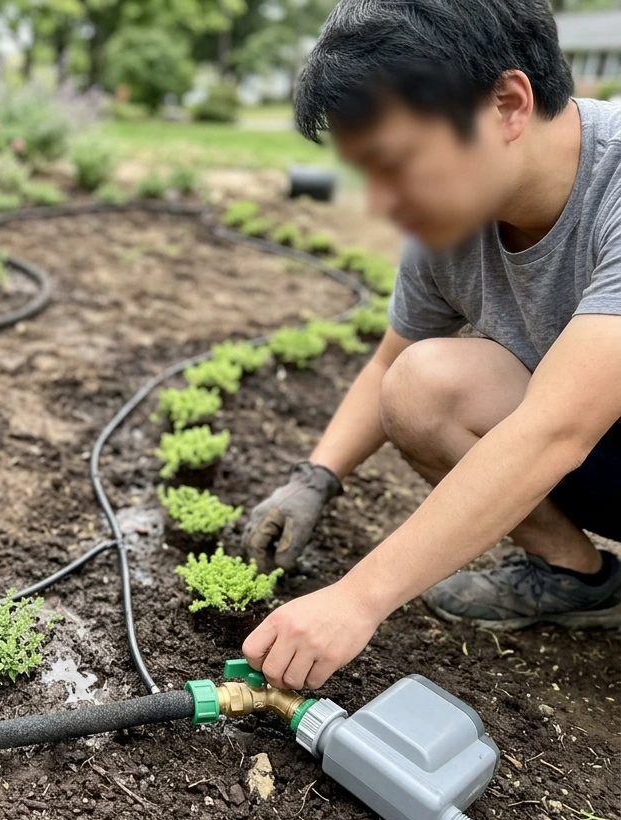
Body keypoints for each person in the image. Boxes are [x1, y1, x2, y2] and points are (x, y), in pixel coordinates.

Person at [239, 0, 621, 691]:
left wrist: (358, 598)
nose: (386, 202)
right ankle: (577, 577)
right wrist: (313, 480)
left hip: (577, 435)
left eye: (399, 162)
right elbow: (391, 362)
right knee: (422, 384)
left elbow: (554, 430)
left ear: (507, 103)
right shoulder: (452, 222)